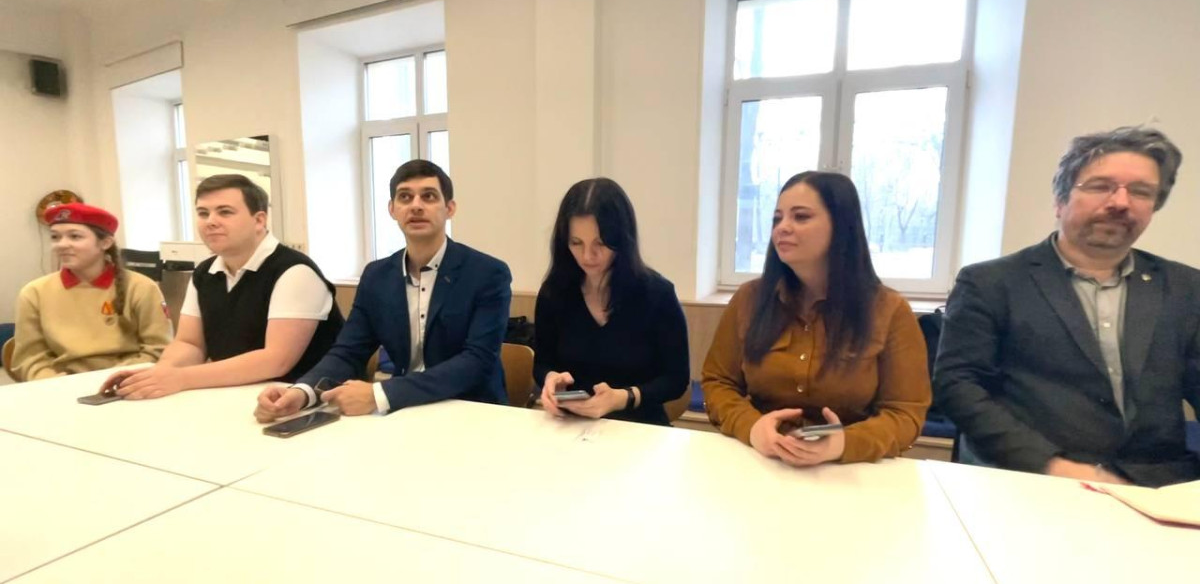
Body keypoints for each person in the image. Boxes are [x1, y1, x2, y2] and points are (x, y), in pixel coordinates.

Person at [935, 126, 1200, 487]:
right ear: (1060, 201)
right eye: (1100, 186)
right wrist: (1053, 466)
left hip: (1156, 485)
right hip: (1033, 480)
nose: (1120, 202)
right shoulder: (991, 283)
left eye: (1140, 191)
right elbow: (959, 387)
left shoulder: (1186, 288)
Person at [253, 160, 511, 421]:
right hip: (403, 412)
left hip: (472, 410)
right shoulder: (377, 276)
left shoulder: (487, 273)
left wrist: (380, 394)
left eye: (429, 196)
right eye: (405, 197)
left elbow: (477, 361)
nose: (416, 205)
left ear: (450, 208)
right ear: (392, 209)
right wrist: (302, 392)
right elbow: (348, 352)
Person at [702, 171, 930, 466]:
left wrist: (844, 444)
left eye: (800, 217)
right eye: (777, 219)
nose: (782, 228)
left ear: (841, 226)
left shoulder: (889, 310)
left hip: (849, 469)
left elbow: (905, 412)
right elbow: (718, 382)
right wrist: (752, 427)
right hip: (763, 460)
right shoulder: (750, 299)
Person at [99, 174, 344, 399]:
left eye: (225, 212)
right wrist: (159, 374)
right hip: (235, 394)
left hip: (303, 400)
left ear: (259, 220)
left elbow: (276, 360)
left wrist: (181, 378)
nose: (211, 222)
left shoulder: (295, 271)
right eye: (203, 213)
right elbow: (190, 344)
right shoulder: (204, 273)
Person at [536, 178, 689, 426]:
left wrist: (622, 398)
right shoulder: (555, 292)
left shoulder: (657, 294)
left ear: (622, 239)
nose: (587, 256)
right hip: (572, 423)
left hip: (639, 426)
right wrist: (551, 379)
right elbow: (543, 362)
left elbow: (676, 379)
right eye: (576, 243)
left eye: (600, 243)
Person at [13, 203, 172, 381]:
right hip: (61, 385)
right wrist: (54, 382)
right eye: (55, 237)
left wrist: (112, 380)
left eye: (75, 236)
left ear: (105, 242)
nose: (62, 244)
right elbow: (29, 358)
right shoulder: (34, 293)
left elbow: (158, 349)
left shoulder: (141, 287)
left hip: (126, 382)